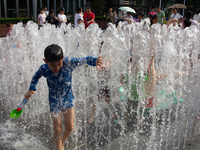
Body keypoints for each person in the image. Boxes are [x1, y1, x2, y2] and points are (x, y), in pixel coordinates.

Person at [24, 44, 102, 150]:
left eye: (59, 64)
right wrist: (31, 89)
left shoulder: (68, 62)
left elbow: (84, 59)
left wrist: (96, 61)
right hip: (54, 101)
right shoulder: (44, 68)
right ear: (45, 61)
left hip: (67, 99)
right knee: (57, 129)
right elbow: (36, 76)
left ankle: (62, 141)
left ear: (63, 58)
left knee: (70, 127)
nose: (56, 67)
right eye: (52, 65)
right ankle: (59, 147)